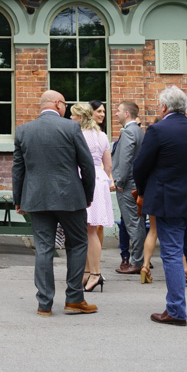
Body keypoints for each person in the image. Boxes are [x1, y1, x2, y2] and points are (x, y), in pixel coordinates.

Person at [133, 86, 187, 326]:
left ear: (164, 107)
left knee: (171, 253)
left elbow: (141, 165)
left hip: (168, 198)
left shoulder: (157, 130)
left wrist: (142, 189)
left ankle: (176, 310)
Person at [12, 90, 98, 317]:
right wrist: (88, 195)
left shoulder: (23, 131)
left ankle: (44, 304)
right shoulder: (71, 128)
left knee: (43, 248)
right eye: (65, 104)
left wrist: (18, 200)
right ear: (58, 104)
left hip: (37, 198)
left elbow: (18, 169)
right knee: (78, 243)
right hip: (70, 196)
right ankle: (74, 299)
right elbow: (87, 165)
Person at [71, 101, 113, 294]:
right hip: (100, 179)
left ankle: (95, 273)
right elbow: (108, 166)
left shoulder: (78, 134)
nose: (70, 119)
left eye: (73, 115)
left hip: (85, 180)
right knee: (91, 229)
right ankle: (88, 271)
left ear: (79, 117)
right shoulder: (102, 135)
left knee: (88, 231)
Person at [111, 100, 146, 276]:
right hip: (135, 183)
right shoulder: (138, 131)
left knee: (133, 224)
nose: (115, 113)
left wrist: (119, 182)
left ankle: (137, 262)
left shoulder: (130, 132)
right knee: (137, 222)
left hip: (128, 185)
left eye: (118, 110)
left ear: (126, 114)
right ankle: (140, 260)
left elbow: (125, 160)